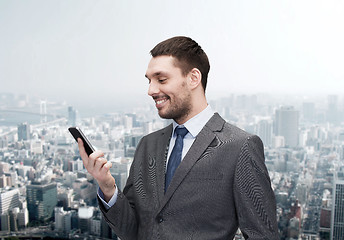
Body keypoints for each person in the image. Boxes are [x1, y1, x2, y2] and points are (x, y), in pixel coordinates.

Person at [77, 36, 279, 239]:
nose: (151, 90)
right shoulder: (148, 145)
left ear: (193, 78)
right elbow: (132, 230)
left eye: (161, 79)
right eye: (149, 81)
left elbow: (262, 235)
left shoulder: (239, 146)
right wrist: (107, 186)